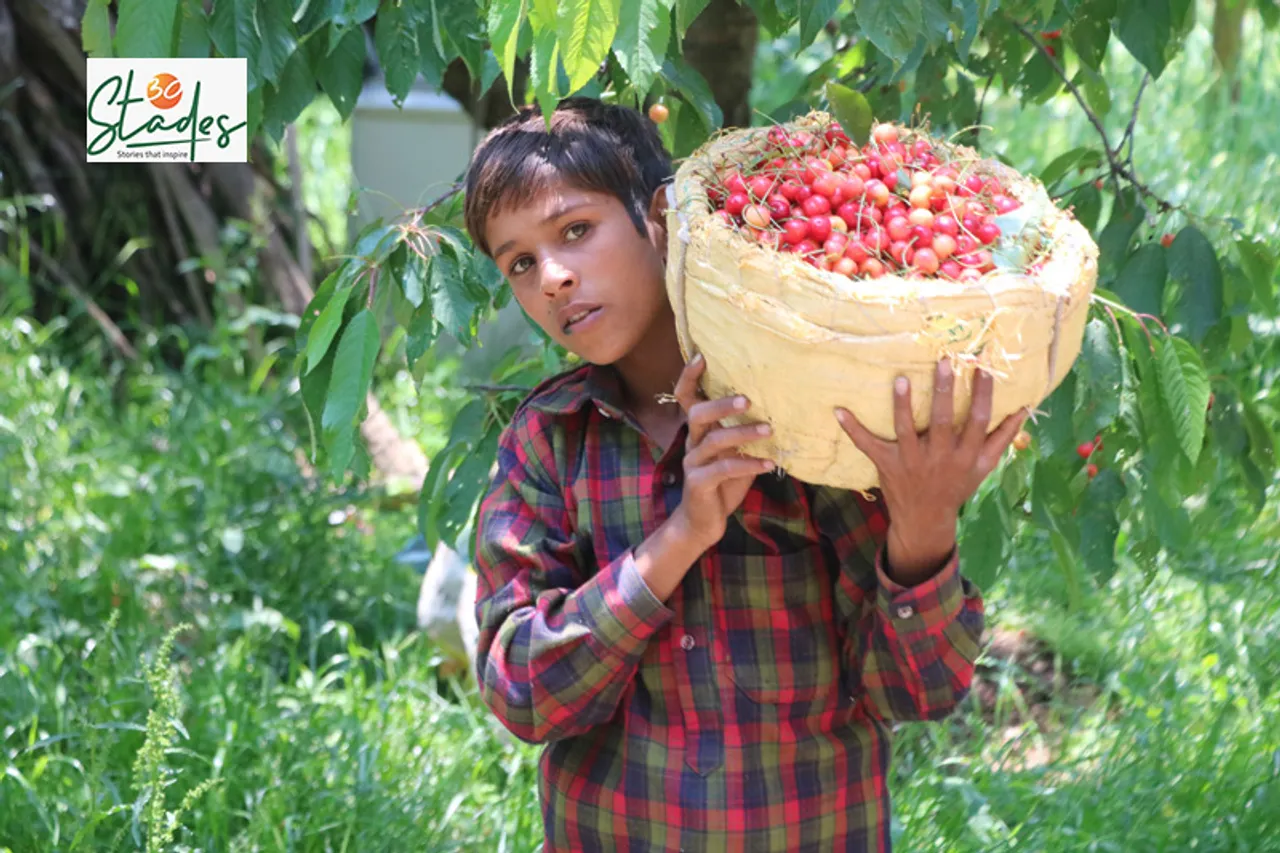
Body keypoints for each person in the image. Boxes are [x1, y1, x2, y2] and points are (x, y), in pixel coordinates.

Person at [462, 97, 1029, 852]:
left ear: (659, 215)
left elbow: (916, 690)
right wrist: (683, 535)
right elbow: (521, 692)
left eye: (576, 230)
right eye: (521, 263)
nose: (554, 278)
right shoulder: (546, 443)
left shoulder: (811, 425)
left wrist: (925, 524)